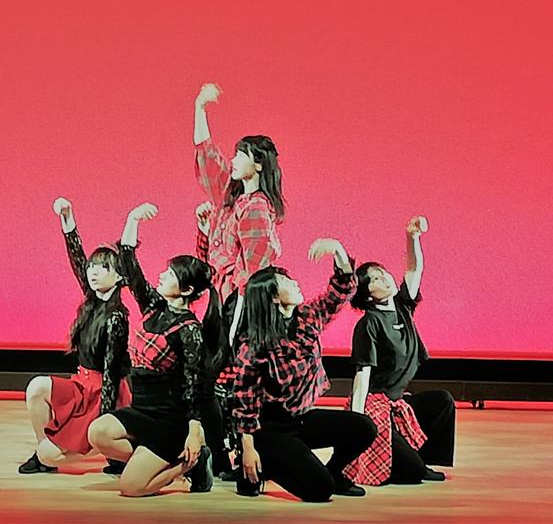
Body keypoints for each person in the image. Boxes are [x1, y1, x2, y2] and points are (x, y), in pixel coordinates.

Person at [87, 203, 221, 496]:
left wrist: (194, 430)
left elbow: (194, 385)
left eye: (170, 274)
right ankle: (151, 460)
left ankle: (188, 465)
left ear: (186, 290)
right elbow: (129, 264)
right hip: (142, 412)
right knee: (97, 432)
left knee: (131, 487)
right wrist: (132, 219)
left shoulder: (189, 330)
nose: (162, 275)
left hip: (169, 421)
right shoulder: (153, 306)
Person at [233, 239, 378, 502]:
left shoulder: (306, 319)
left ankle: (333, 472)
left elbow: (341, 290)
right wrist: (248, 448)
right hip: (269, 428)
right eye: (286, 281)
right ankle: (266, 462)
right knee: (319, 490)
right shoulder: (253, 345)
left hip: (301, 418)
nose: (295, 283)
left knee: (363, 427)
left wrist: (337, 249)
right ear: (274, 297)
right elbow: (245, 402)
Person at [193, 82, 286, 477]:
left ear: (258, 164)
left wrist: (236, 316)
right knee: (214, 378)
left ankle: (237, 453)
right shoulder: (233, 200)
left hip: (241, 305)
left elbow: (256, 269)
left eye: (240, 155)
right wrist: (200, 108)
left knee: (232, 377)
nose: (231, 160)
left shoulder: (257, 208)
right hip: (225, 299)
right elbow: (208, 157)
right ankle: (222, 452)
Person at [18, 197, 132, 474]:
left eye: (103, 268)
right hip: (82, 384)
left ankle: (122, 453)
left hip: (104, 393)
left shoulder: (117, 316)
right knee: (36, 387)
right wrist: (67, 217)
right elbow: (78, 258)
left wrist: (104, 422)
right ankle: (45, 453)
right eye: (92, 267)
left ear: (119, 277)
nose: (93, 272)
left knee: (50, 454)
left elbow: (111, 373)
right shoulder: (92, 301)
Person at [345, 216, 455, 485]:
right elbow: (362, 376)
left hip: (397, 403)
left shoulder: (402, 306)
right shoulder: (369, 324)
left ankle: (424, 459)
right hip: (375, 408)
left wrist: (412, 237)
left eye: (382, 272)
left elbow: (414, 269)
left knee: (442, 401)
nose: (385, 278)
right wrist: (357, 422)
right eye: (375, 278)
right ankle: (412, 463)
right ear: (367, 294)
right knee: (412, 474)